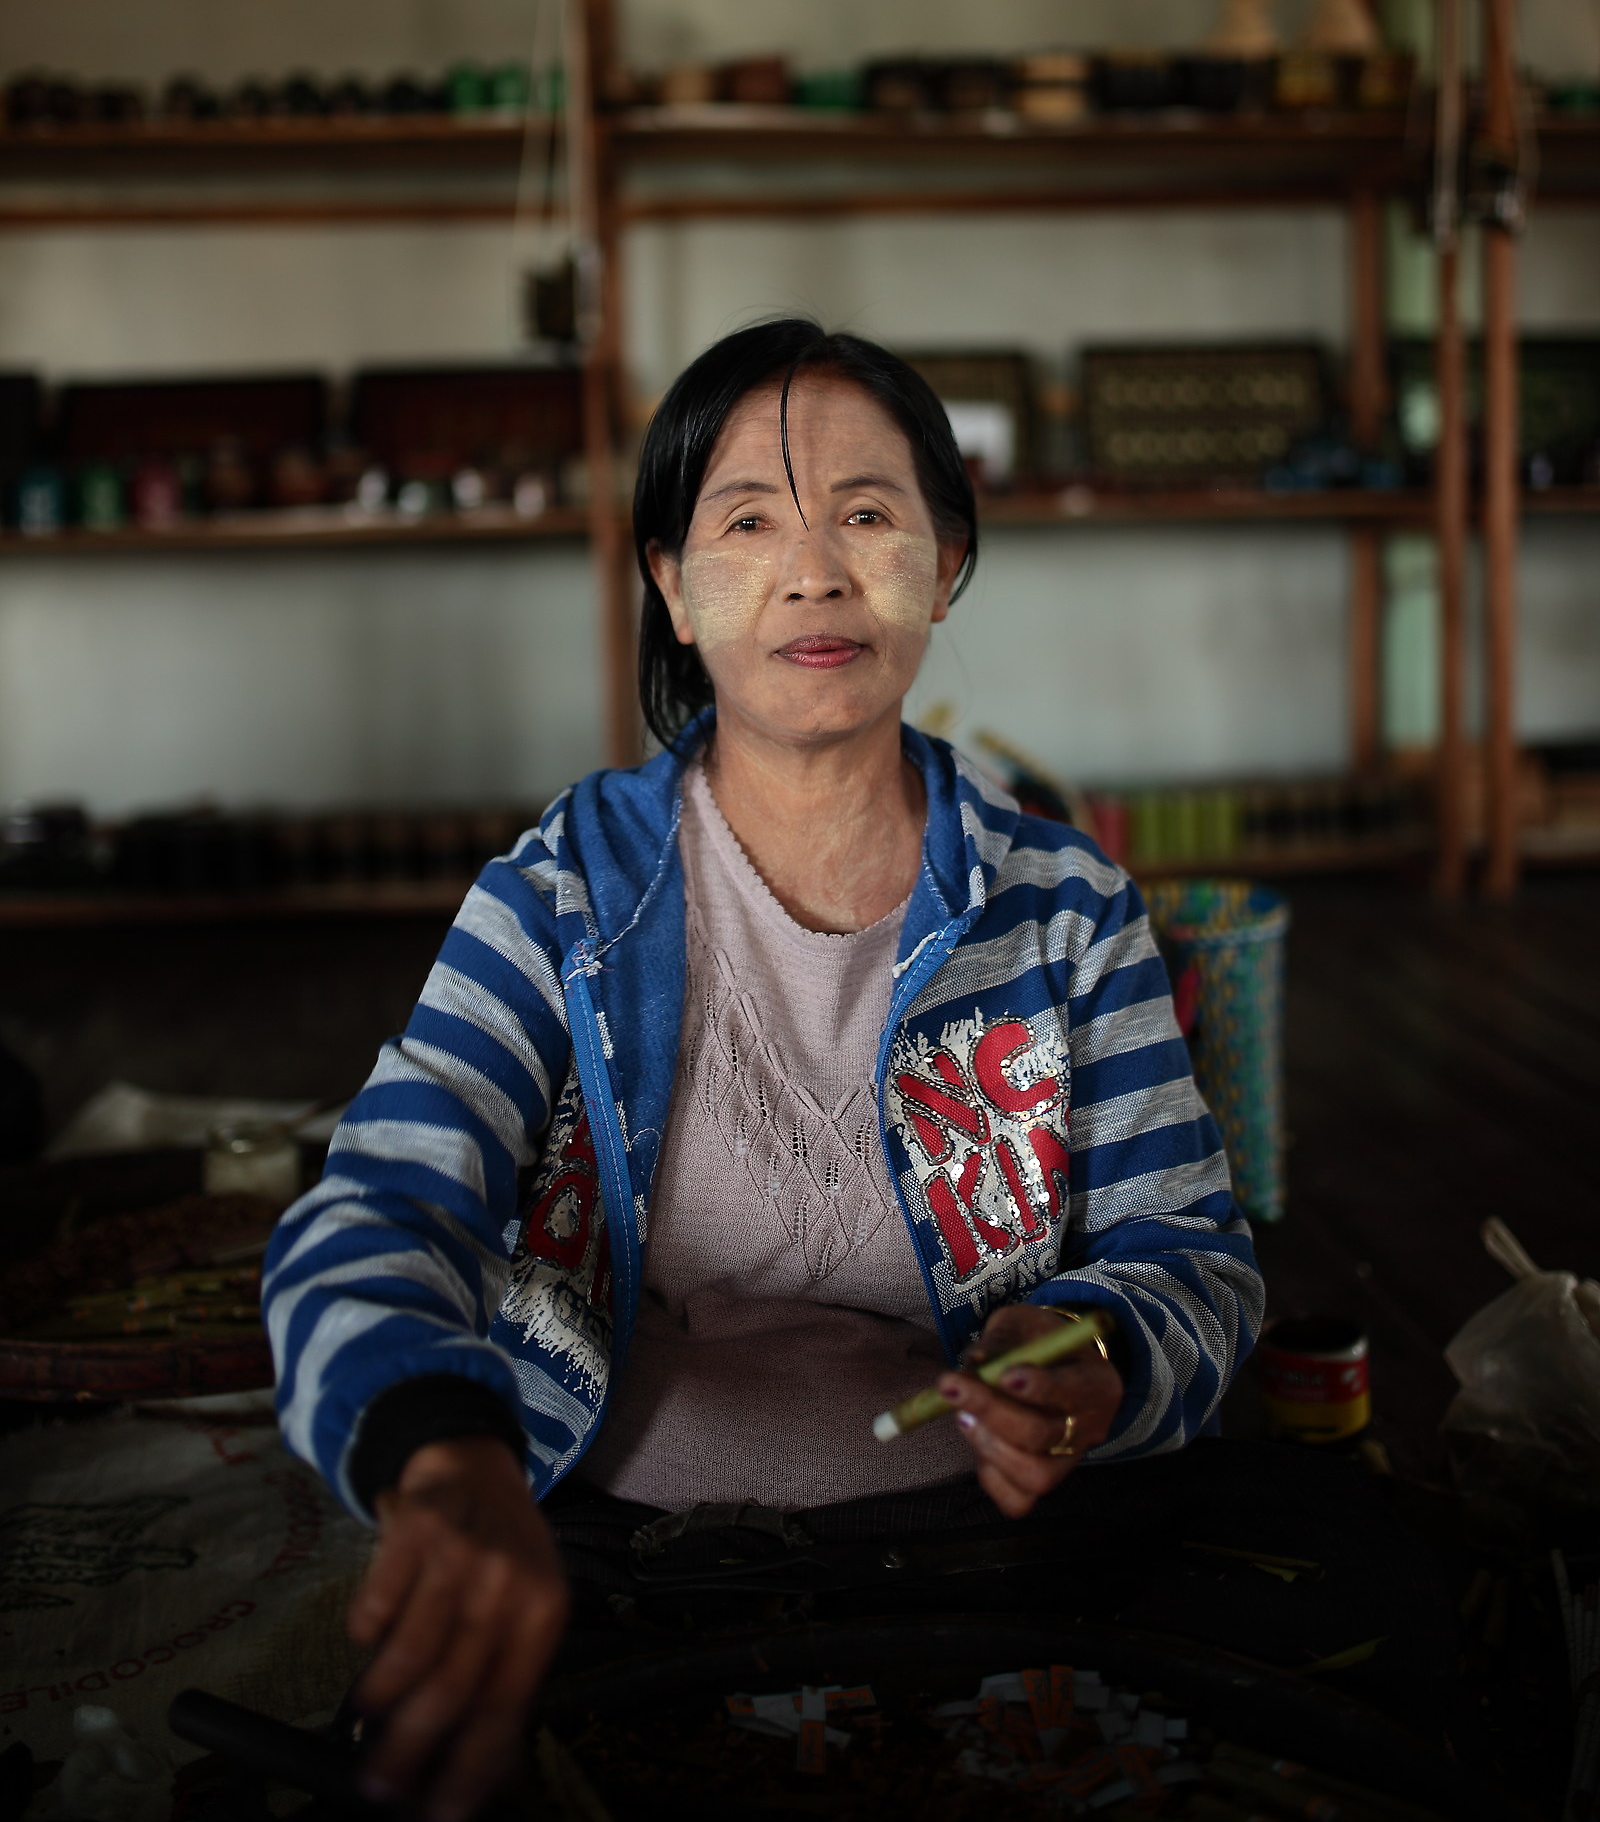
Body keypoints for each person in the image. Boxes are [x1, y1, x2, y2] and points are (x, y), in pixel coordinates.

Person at [264, 319, 1263, 1822]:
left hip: (990, 1566)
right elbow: (372, 1213)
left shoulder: (1063, 910)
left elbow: (1195, 1260)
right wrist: (438, 1450)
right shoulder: (567, 902)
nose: (815, 570)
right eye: (747, 522)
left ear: (950, 559)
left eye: (868, 513)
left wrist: (1099, 1356)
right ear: (671, 585)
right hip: (596, 1557)